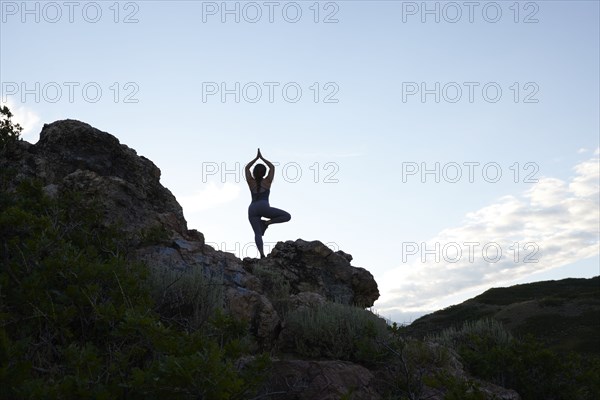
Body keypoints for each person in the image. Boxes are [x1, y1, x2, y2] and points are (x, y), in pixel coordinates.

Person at [245, 148, 291, 258]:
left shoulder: (250, 181)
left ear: (254, 172)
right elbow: (272, 167)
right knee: (287, 216)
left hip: (252, 208)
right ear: (264, 173)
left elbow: (247, 167)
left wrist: (255, 159)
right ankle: (266, 223)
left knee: (257, 233)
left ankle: (261, 254)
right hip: (263, 206)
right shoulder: (267, 181)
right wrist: (262, 158)